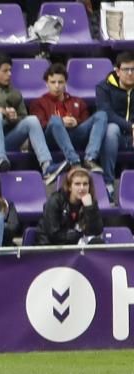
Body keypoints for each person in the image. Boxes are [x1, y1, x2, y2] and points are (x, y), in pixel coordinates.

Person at [0, 53, 67, 184]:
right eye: (5, 71)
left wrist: (14, 118)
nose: (10, 74)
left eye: (10, 70)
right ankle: (0, 159)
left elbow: (23, 117)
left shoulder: (15, 93)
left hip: (7, 140)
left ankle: (47, 167)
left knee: (32, 120)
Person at [29, 63, 106, 174]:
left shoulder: (78, 101)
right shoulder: (38, 103)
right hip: (52, 138)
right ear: (46, 84)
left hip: (75, 135)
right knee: (55, 120)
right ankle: (74, 161)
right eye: (53, 82)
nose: (57, 86)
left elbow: (86, 120)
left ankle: (90, 159)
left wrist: (76, 121)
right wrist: (61, 122)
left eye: (60, 82)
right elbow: (39, 125)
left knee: (101, 115)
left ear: (65, 83)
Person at [95, 51, 134, 202]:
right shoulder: (103, 87)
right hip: (116, 135)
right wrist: (131, 126)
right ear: (117, 71)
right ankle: (109, 184)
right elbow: (106, 113)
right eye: (126, 69)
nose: (130, 73)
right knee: (111, 129)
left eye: (133, 69)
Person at [36, 167, 104, 245]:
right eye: (77, 184)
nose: (82, 188)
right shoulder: (55, 201)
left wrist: (89, 208)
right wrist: (79, 235)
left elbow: (97, 231)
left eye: (85, 184)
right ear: (69, 187)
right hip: (50, 247)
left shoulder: (90, 203)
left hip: (74, 246)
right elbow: (53, 234)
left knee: (98, 243)